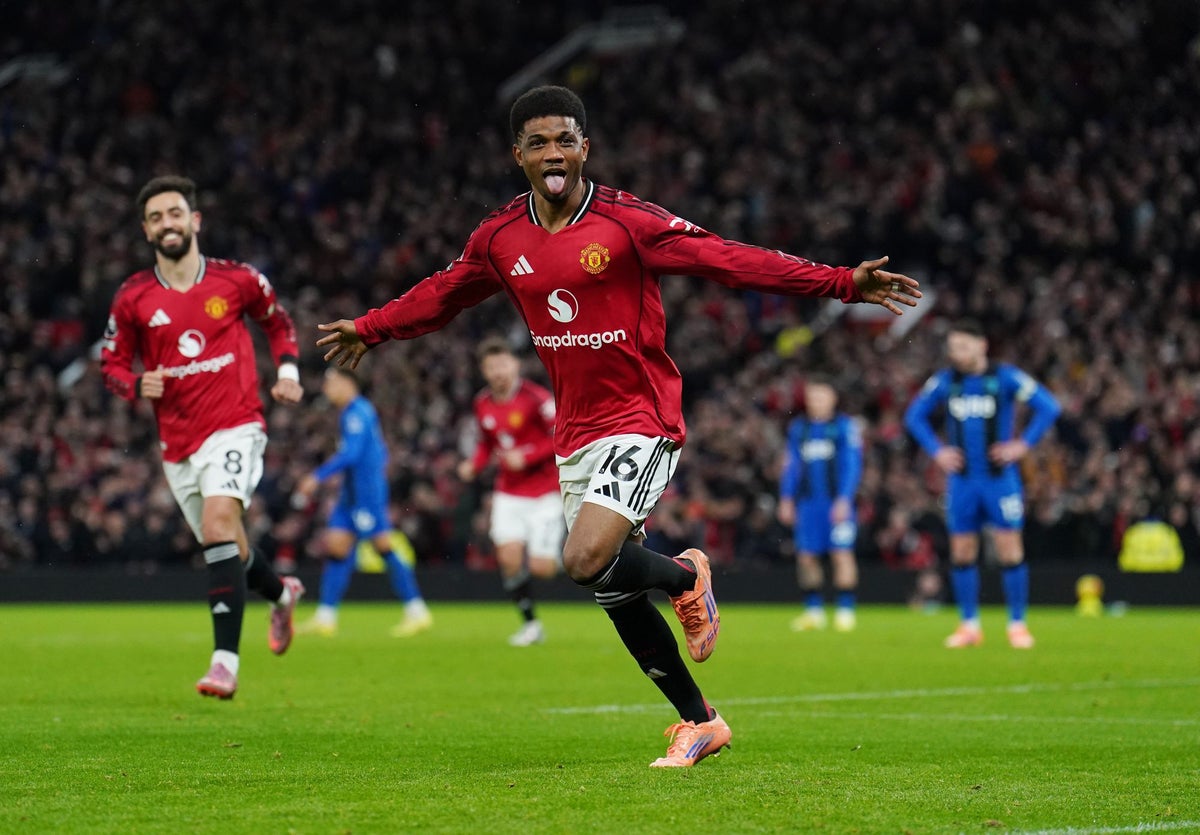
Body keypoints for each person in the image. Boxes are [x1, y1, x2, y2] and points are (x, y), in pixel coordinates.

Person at [316, 86, 921, 766]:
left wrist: (840, 282)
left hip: (641, 415)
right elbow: (442, 294)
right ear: (518, 154)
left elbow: (727, 258)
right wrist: (372, 328)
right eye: (539, 142)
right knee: (608, 583)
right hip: (575, 432)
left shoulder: (628, 221)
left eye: (565, 140)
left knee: (581, 558)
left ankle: (685, 576)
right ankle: (701, 721)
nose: (553, 153)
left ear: (585, 148)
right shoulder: (499, 238)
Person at [100, 175, 305, 700]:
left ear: (194, 220)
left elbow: (278, 323)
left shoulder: (238, 280)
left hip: (236, 424)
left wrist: (287, 372)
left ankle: (224, 664)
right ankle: (282, 596)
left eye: (175, 213)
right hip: (177, 444)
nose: (166, 223)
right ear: (146, 230)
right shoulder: (133, 297)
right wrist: (133, 383)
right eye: (156, 217)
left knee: (218, 526)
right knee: (230, 548)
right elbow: (111, 363)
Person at [904, 318, 1061, 649]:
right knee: (962, 552)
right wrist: (937, 451)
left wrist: (1022, 445)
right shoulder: (946, 381)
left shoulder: (1005, 377)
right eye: (953, 348)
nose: (956, 353)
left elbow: (1049, 406)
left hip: (999, 480)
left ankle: (1017, 625)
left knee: (1009, 549)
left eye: (963, 346)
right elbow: (914, 416)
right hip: (962, 482)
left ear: (982, 345)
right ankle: (969, 625)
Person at [293, 367, 433, 638]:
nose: (326, 389)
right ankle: (326, 617)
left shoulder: (359, 412)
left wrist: (317, 477)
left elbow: (352, 454)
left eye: (331, 383)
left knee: (383, 547)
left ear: (348, 384)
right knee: (336, 547)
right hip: (350, 494)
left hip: (367, 494)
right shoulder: (349, 413)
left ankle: (417, 611)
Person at [457, 337, 564, 647]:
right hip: (509, 492)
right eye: (491, 366)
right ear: (484, 371)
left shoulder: (537, 399)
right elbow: (486, 444)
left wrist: (527, 456)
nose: (498, 371)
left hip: (545, 493)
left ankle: (562, 553)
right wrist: (474, 465)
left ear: (516, 365)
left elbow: (560, 436)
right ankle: (531, 625)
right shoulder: (482, 403)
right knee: (508, 558)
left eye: (503, 364)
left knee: (542, 569)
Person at [776, 375, 863, 633]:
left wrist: (845, 499)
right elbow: (792, 467)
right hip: (808, 505)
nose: (817, 402)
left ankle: (845, 611)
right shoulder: (799, 429)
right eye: (812, 397)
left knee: (841, 554)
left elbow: (852, 465)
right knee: (806, 558)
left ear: (833, 398)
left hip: (836, 503)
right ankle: (814, 612)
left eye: (822, 396)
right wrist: (786, 498)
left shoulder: (844, 427)